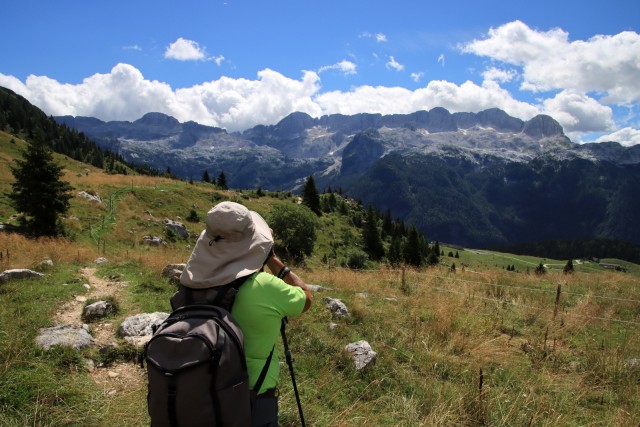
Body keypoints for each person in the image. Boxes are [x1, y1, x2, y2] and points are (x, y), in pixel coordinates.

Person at [175, 201, 312, 427]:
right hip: (253, 396)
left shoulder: (191, 284)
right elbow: (306, 298)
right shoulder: (264, 286)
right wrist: (273, 260)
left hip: (199, 391)